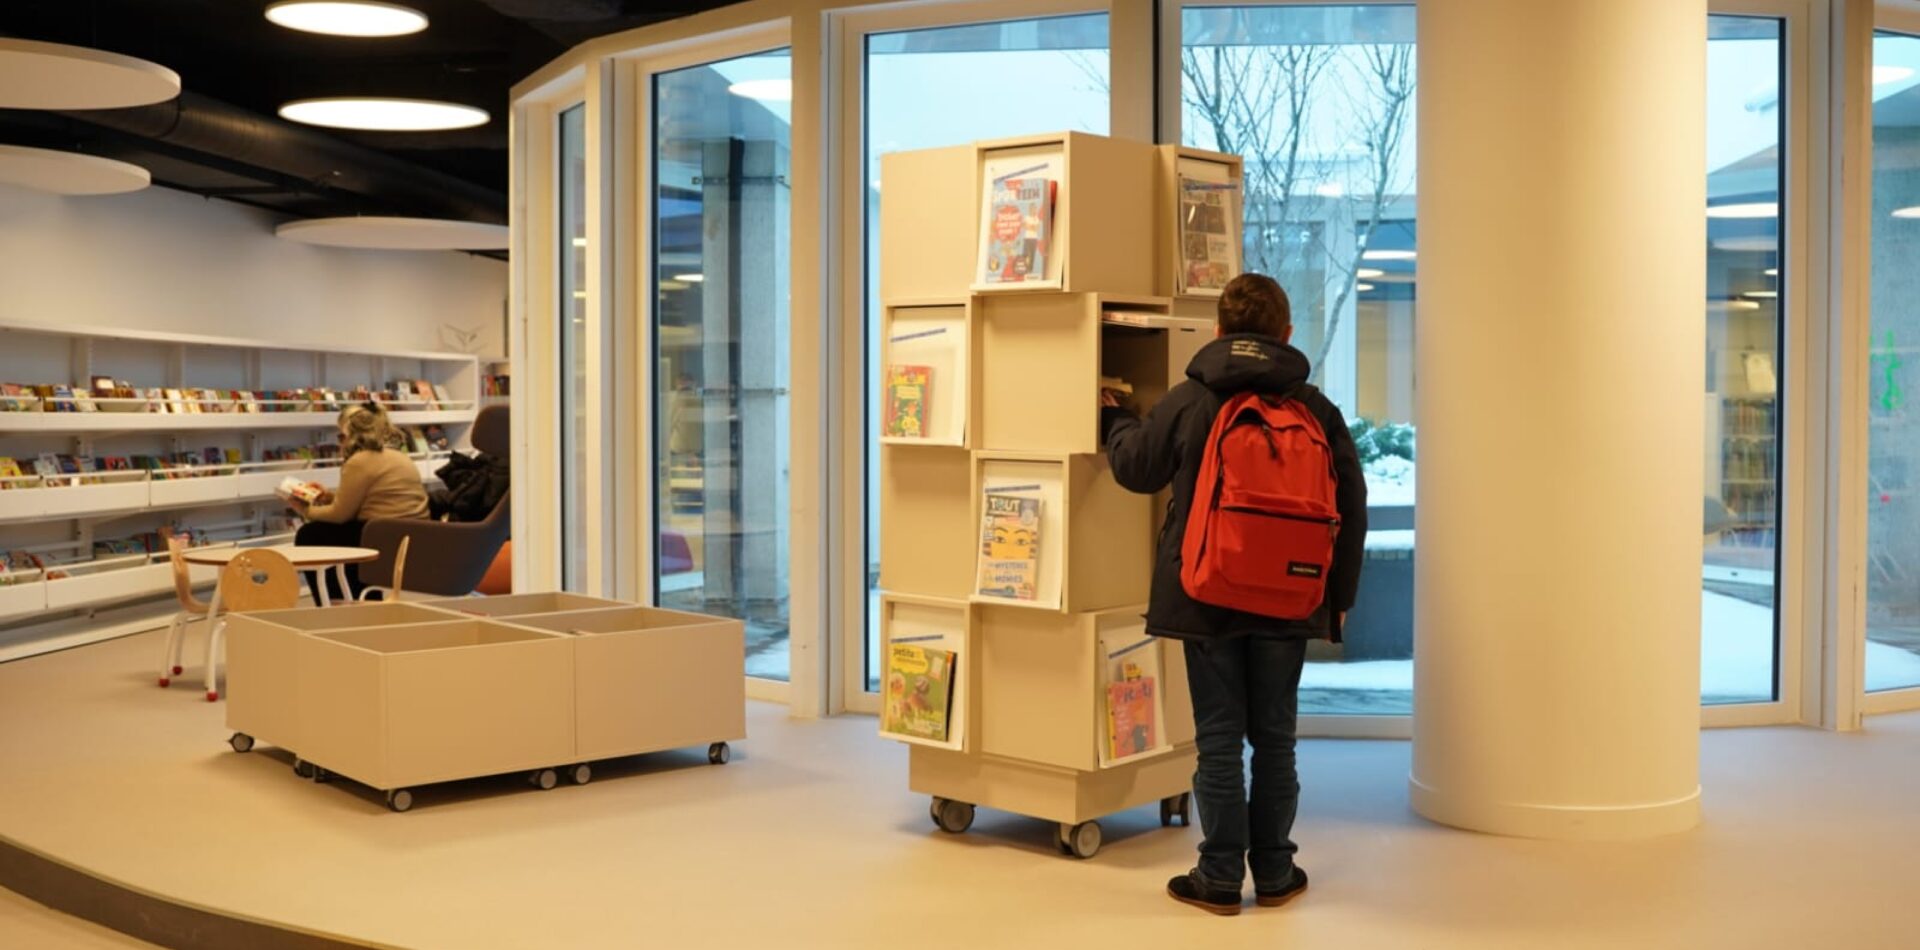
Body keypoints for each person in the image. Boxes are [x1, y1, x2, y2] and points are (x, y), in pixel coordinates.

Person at [1102, 272, 1367, 916]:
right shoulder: (1314, 407)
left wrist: (1114, 418)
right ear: (1286, 334)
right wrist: (1337, 600)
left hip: (1207, 593)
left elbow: (1137, 467)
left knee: (1219, 738)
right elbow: (1351, 503)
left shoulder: (1195, 398)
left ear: (1218, 330)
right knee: (1275, 738)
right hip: (1290, 596)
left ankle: (1219, 877)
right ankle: (1276, 870)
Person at [292, 403, 430, 605]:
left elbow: (340, 515)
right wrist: (328, 497)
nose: (340, 443)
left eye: (341, 436)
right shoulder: (398, 456)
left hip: (381, 537)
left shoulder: (360, 460)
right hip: (410, 536)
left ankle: (335, 602)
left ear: (354, 435)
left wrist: (306, 509)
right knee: (336, 534)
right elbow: (370, 500)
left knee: (310, 535)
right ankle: (360, 600)